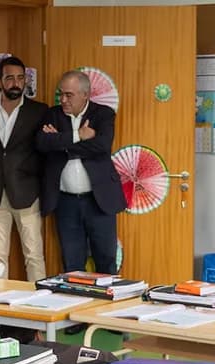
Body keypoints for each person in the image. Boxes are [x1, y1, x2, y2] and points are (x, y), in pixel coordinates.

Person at [38, 70, 127, 274]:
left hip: (98, 201)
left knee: (106, 261)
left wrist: (62, 143)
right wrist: (79, 136)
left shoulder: (103, 114)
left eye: (69, 95)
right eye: (61, 94)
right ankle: (75, 304)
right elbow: (42, 144)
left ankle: (107, 305)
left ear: (85, 94)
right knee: (71, 263)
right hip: (65, 202)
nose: (63, 99)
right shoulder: (52, 114)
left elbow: (102, 146)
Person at [0, 55, 50, 281]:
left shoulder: (39, 111)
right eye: (10, 78)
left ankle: (37, 308)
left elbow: (45, 154)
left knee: (34, 255)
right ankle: (0, 312)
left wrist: (45, 192)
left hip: (28, 193)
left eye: (20, 78)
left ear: (25, 80)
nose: (16, 83)